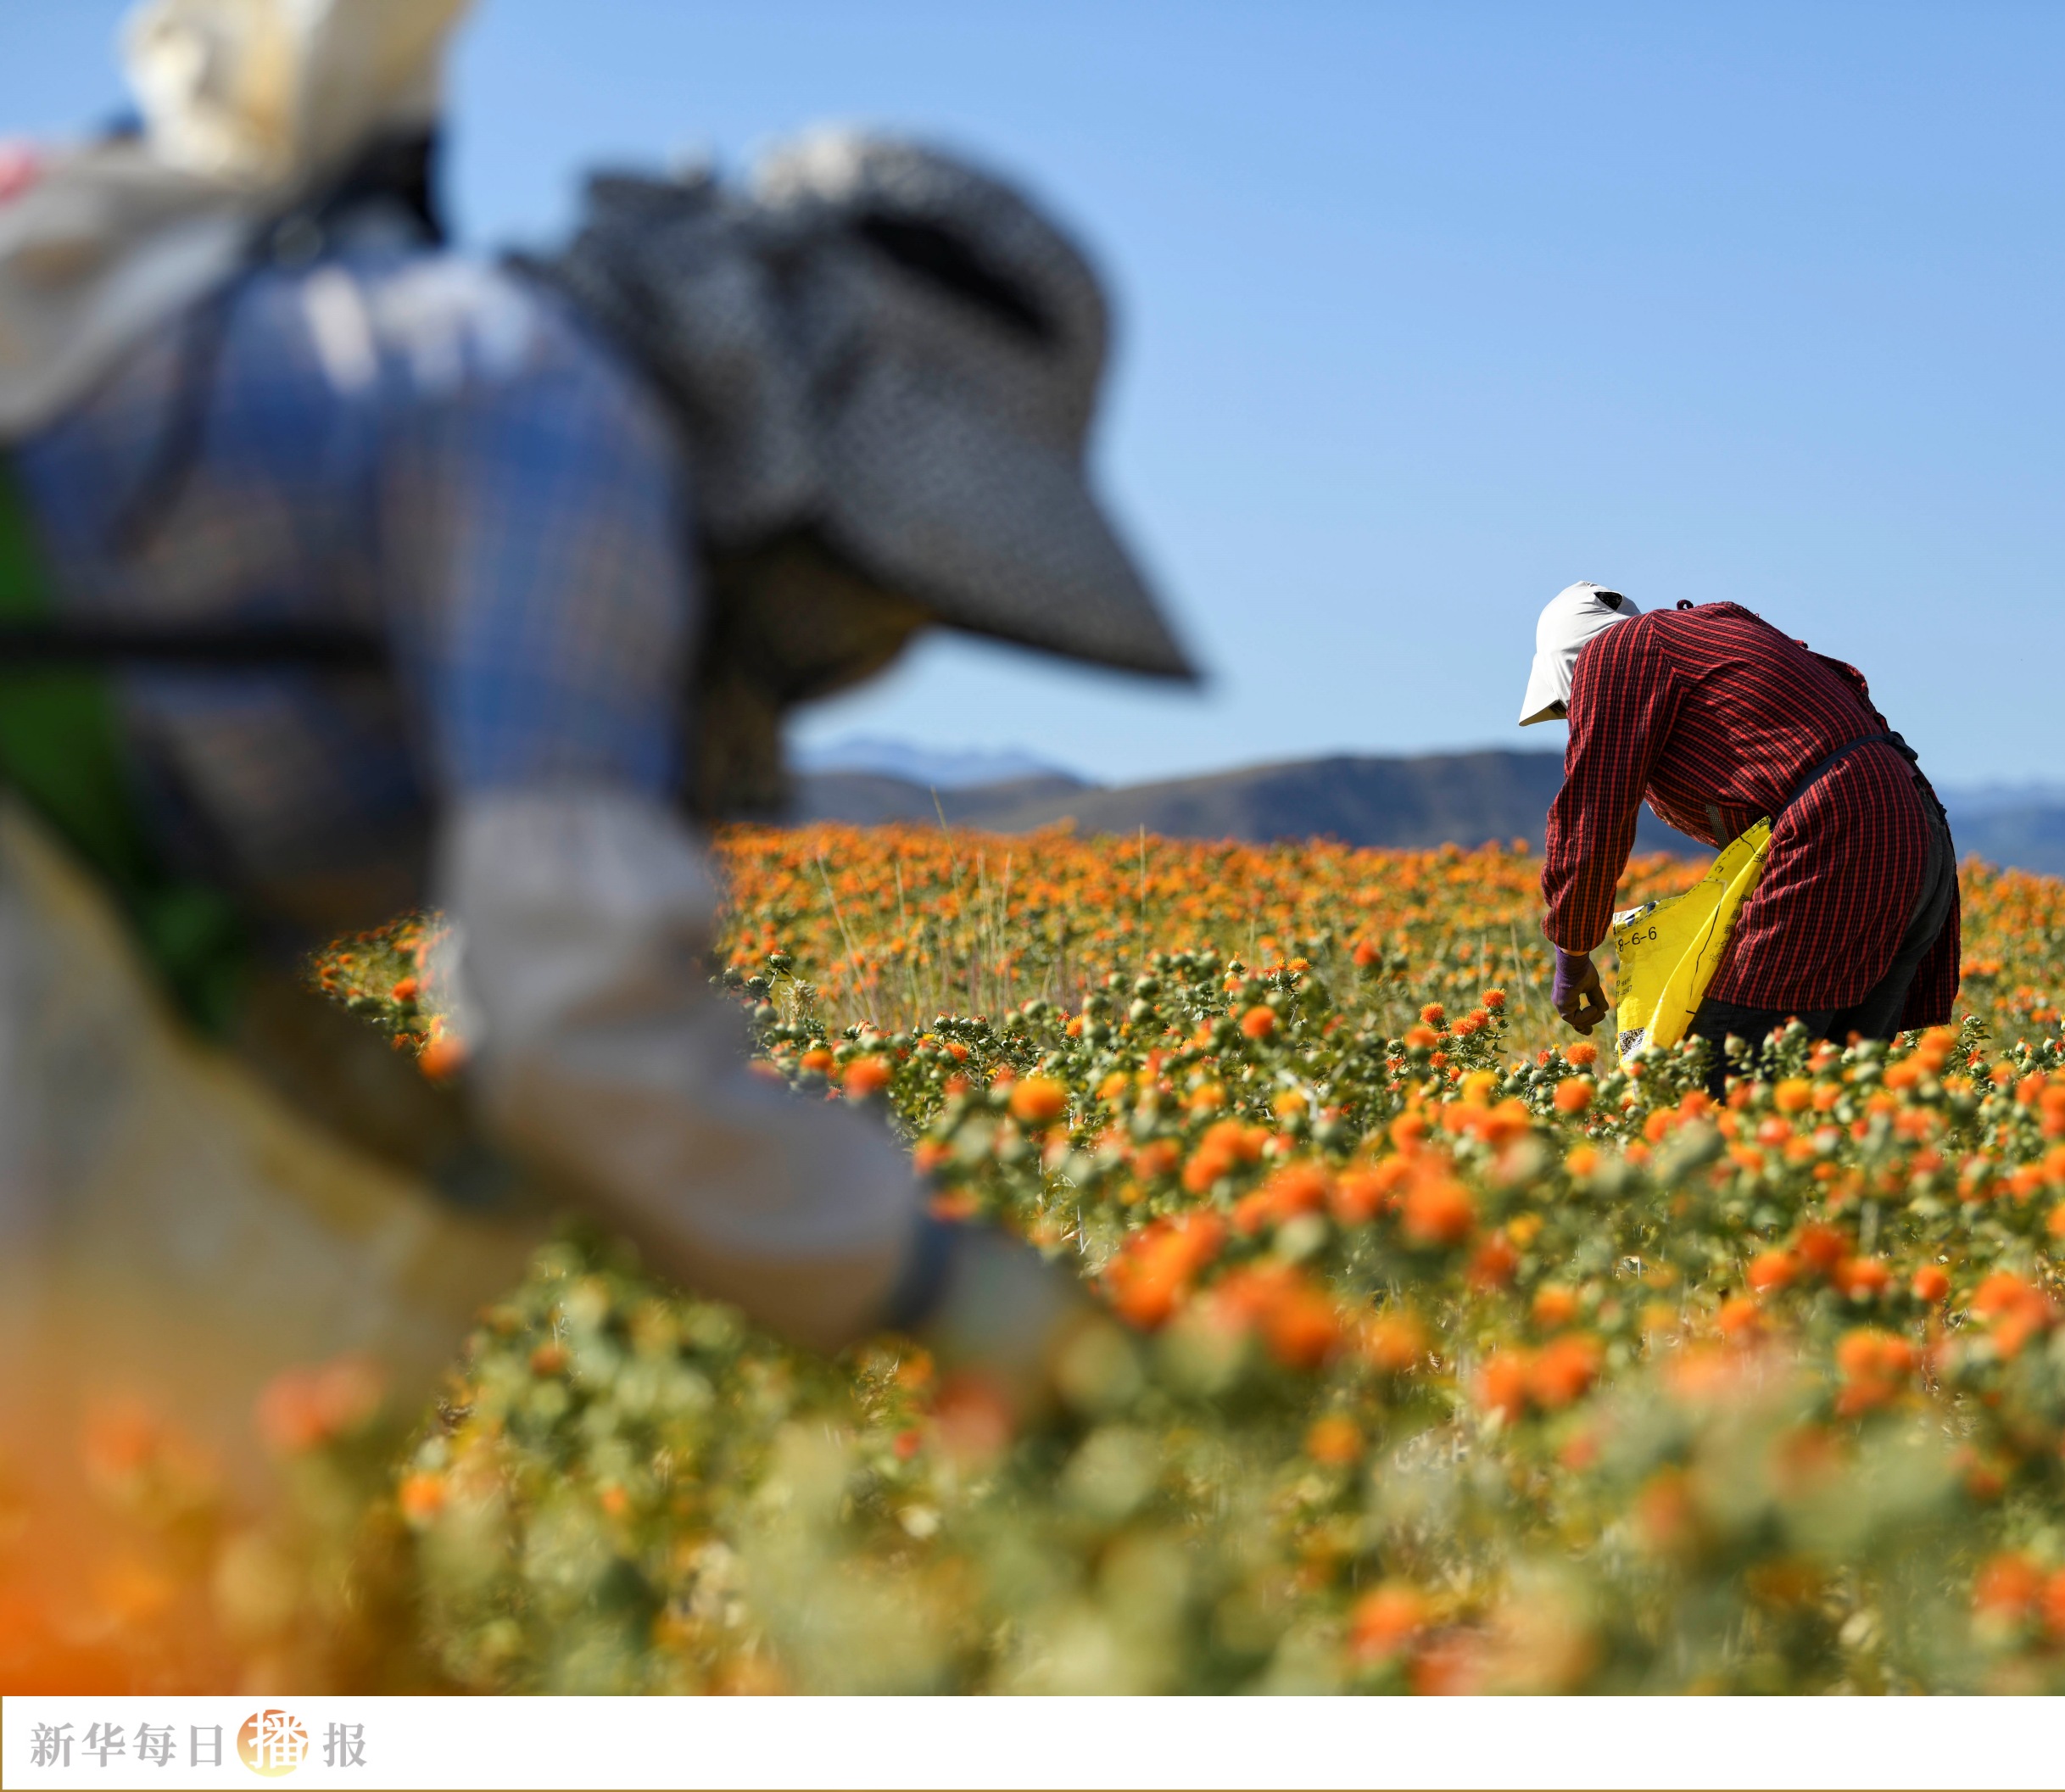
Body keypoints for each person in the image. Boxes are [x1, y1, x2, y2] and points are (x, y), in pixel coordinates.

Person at [0, 0, 1182, 1684]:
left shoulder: (506, 384)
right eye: (887, 583)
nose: (874, 648)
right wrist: (936, 1283)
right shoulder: (560, 430)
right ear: (807, 473)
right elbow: (565, 1030)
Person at [1519, 580, 1957, 1073]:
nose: (1574, 716)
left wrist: (1573, 951)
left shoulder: (1619, 652)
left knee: (1722, 1080)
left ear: (1573, 663)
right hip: (1916, 839)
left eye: (1565, 704)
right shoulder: (1709, 639)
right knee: (1833, 1086)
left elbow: (1592, 815)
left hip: (1839, 837)